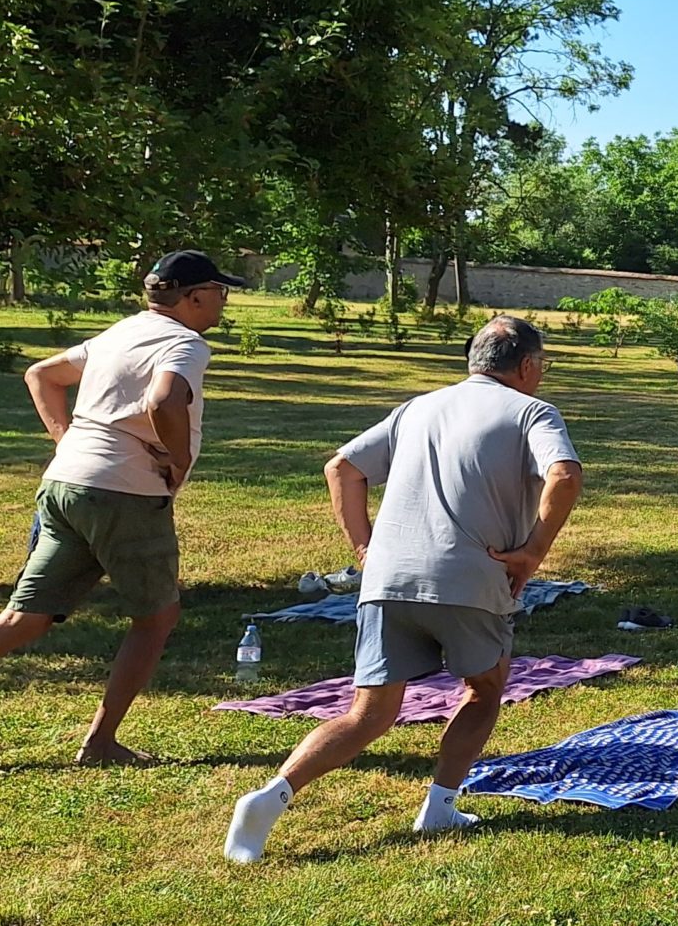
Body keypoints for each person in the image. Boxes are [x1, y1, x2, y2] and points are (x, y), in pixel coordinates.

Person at [223, 316, 584, 863]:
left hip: (386, 582)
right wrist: (533, 552)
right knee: (485, 689)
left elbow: (341, 467)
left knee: (367, 714)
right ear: (529, 366)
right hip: (471, 579)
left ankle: (275, 793)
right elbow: (563, 474)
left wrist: (366, 550)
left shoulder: (418, 407)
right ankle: (439, 805)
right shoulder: (532, 412)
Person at [0, 250, 236, 765]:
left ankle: (101, 742)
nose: (223, 301)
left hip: (64, 486)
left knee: (23, 619)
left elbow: (42, 375)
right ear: (194, 297)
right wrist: (179, 458)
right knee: (156, 617)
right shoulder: (186, 343)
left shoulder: (121, 332)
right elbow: (164, 401)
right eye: (220, 290)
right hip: (125, 494)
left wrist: (66, 439)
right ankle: (101, 743)